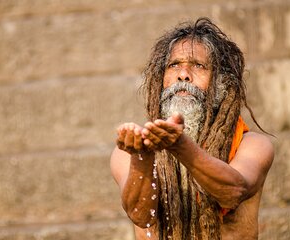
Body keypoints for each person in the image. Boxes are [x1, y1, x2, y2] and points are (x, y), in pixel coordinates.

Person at [110, 17, 274, 240]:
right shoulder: (129, 150)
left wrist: (180, 146)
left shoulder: (253, 145)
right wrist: (142, 157)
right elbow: (140, 216)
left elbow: (233, 193)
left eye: (198, 65)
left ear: (221, 84)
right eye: (174, 65)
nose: (183, 75)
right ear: (161, 80)